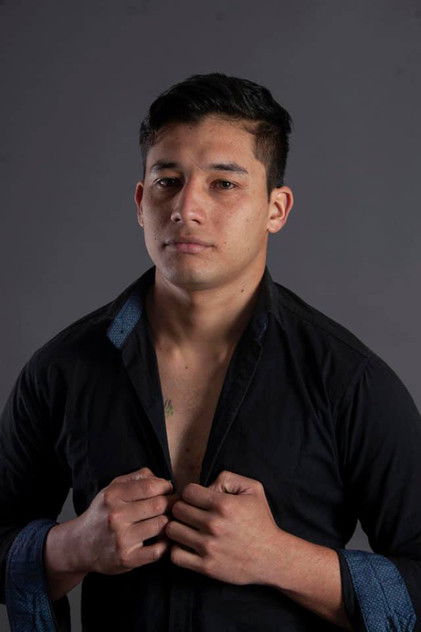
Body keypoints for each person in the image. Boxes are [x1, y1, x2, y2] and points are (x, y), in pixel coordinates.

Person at [0, 72, 420, 632]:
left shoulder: (348, 378)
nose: (186, 207)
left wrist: (279, 559)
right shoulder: (63, 370)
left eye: (223, 184)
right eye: (167, 181)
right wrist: (71, 546)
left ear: (276, 208)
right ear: (140, 201)